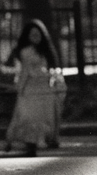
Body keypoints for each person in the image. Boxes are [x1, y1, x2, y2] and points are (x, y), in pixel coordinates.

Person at [4, 19, 66, 156]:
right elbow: (25, 72)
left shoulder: (45, 51)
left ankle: (36, 143)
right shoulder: (25, 52)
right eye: (32, 35)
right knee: (29, 118)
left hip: (44, 90)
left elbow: (52, 70)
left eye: (38, 34)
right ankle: (30, 145)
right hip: (31, 90)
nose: (35, 37)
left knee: (42, 118)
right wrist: (21, 89)